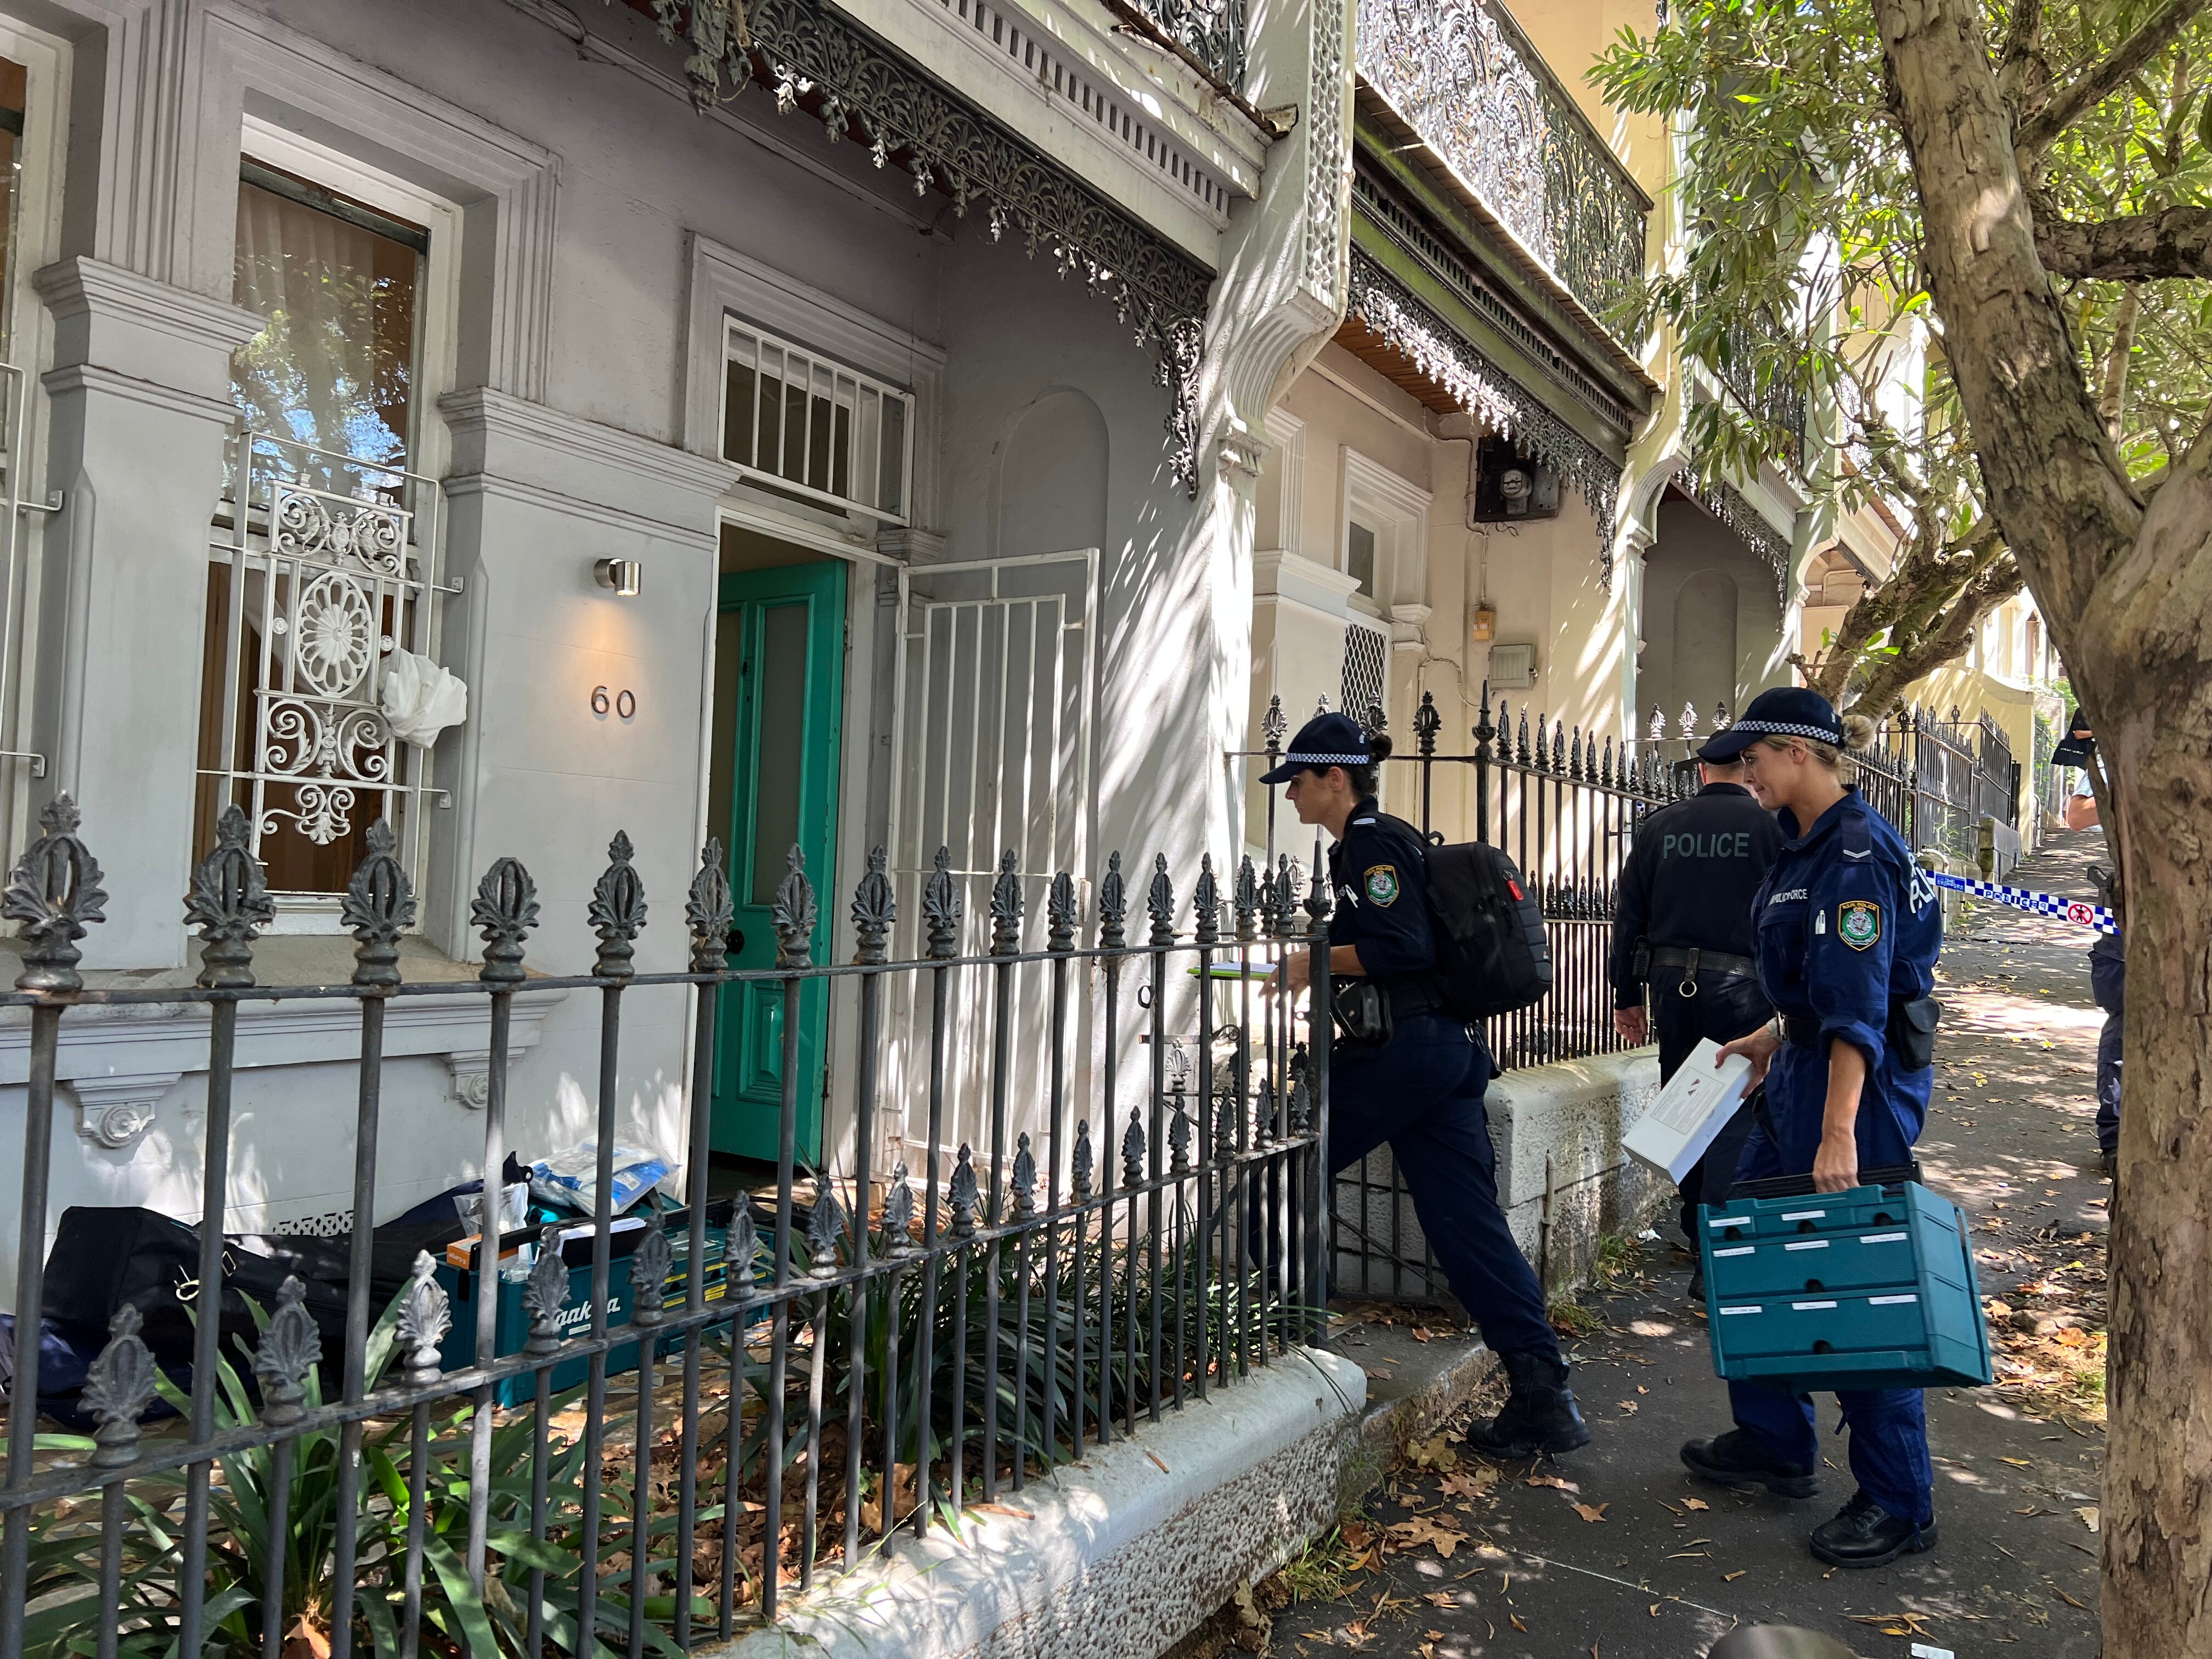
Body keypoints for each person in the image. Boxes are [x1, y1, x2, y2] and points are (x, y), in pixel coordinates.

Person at [1671, 686, 1945, 1569]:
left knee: (1855, 1284)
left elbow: (1858, 1009)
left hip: (1852, 1092)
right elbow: (1810, 991)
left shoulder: (1856, 855)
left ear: (1799, 752)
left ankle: (1900, 1500)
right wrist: (1766, 1037)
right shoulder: (1801, 849)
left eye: (1753, 759)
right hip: (1801, 1070)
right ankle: (1777, 1441)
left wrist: (1839, 1135)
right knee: (1749, 1250)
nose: (1743, 773)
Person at [1268, 711, 1588, 1457]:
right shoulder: (1388, 839)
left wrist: (1313, 959)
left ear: (1334, 779)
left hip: (1406, 1052)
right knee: (1466, 1228)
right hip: (1443, 1055)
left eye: (1298, 782)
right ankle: (1544, 1392)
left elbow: (1402, 946)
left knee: (1284, 1172)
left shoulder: (1372, 842)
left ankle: (1264, 1348)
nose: (1290, 797)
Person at [1609, 735, 1784, 1284]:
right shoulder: (1770, 828)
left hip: (1671, 982)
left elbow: (1628, 914)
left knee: (1683, 1102)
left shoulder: (1660, 827)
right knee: (1735, 1106)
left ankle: (1695, 1224)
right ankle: (1720, 1246)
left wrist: (1625, 994)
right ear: (1748, 769)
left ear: (1703, 770)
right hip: (1746, 985)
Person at [2054, 709, 2122, 1180]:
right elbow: (2076, 817)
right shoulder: (2116, 756)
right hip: (2128, 905)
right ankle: (2115, 1138)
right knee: (2125, 1018)